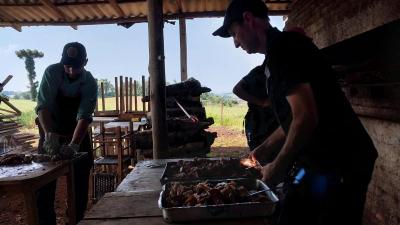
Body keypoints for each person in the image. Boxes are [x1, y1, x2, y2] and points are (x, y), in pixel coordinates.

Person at [213, 0, 378, 225]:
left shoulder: (285, 48)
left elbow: (306, 116)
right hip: (318, 161)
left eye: (234, 33)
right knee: (291, 212)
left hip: (341, 161)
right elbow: (293, 118)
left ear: (249, 19)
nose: (235, 43)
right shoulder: (274, 57)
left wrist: (277, 167)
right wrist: (261, 151)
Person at [35, 42, 98, 225]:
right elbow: (43, 107)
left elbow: (84, 116)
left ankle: (76, 220)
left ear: (85, 62)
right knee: (43, 187)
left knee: (79, 185)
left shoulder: (90, 82)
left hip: (77, 133)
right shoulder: (52, 73)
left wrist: (74, 145)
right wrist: (49, 136)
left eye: (76, 67)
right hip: (51, 132)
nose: (71, 71)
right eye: (67, 65)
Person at [233, 64, 279, 151]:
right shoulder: (259, 71)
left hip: (270, 121)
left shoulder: (271, 71)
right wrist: (261, 102)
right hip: (259, 121)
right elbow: (236, 89)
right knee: (260, 151)